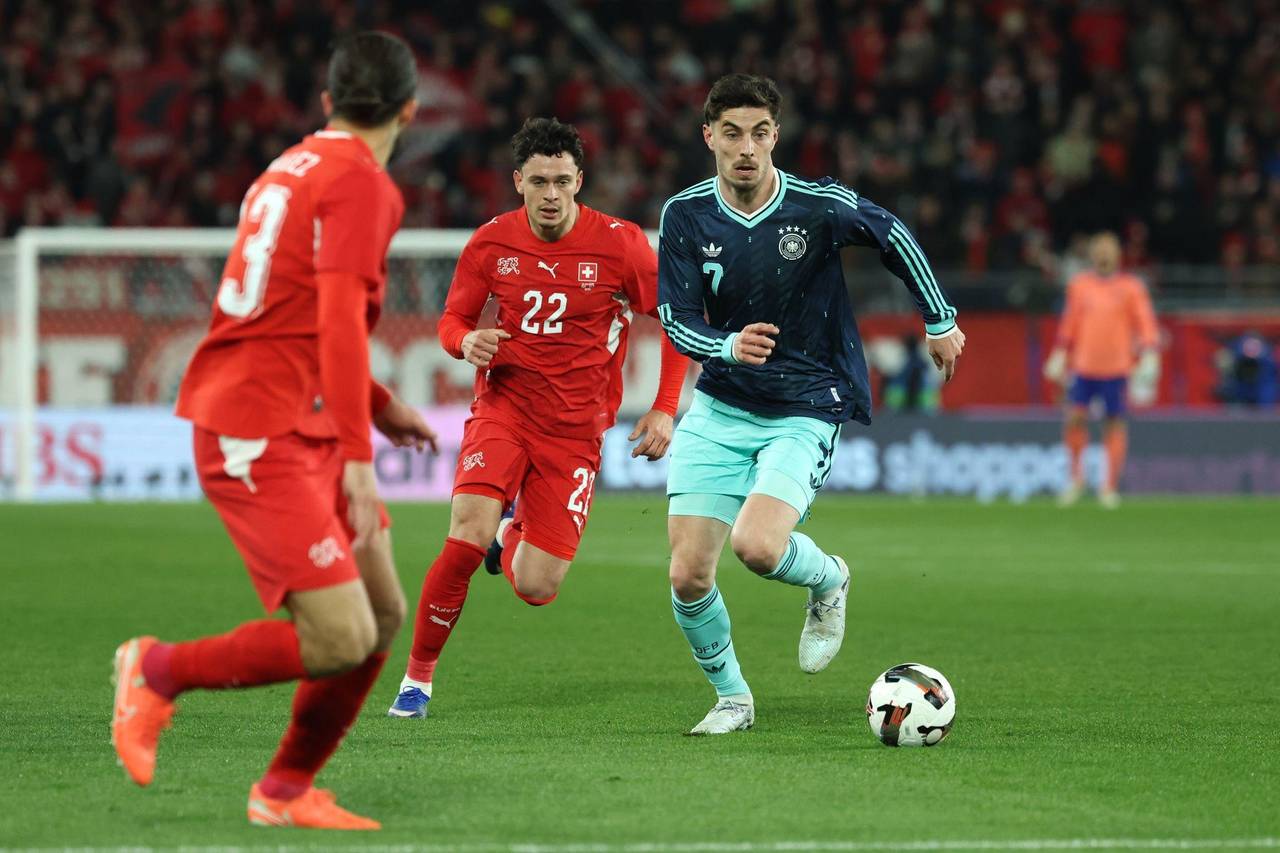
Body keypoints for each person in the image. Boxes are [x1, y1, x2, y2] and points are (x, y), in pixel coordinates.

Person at [111, 31, 437, 829]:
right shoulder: (362, 184)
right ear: (409, 110)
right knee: (339, 637)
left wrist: (377, 403)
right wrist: (361, 454)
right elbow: (335, 319)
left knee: (381, 615)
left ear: (327, 101)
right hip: (258, 428)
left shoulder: (288, 167)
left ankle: (285, 789)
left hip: (300, 414)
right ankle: (157, 669)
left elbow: (291, 313)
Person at [657, 74, 965, 735]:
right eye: (732, 133)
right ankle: (733, 699)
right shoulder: (684, 214)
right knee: (687, 574)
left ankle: (828, 579)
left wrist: (939, 318)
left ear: (776, 136)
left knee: (757, 547)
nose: (746, 147)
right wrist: (726, 345)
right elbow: (676, 320)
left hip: (806, 400)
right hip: (721, 402)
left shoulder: (817, 205)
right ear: (709, 137)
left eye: (759, 133)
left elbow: (892, 234)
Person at [387, 117, 688, 719]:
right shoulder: (490, 242)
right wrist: (464, 342)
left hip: (575, 432)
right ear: (518, 181)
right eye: (539, 181)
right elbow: (452, 321)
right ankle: (416, 682)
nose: (551, 194)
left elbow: (675, 320)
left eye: (562, 181)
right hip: (503, 410)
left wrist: (663, 408)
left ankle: (510, 534)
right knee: (464, 537)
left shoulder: (621, 243)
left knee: (536, 586)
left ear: (580, 181)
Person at [1043, 231, 1159, 508]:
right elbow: (1070, 322)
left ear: (1118, 255)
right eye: (1100, 250)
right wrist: (1060, 351)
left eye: (1109, 250)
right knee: (1074, 419)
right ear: (1092, 255)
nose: (1104, 255)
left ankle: (1109, 487)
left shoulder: (1131, 287)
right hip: (1084, 366)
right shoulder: (1080, 285)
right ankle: (1076, 480)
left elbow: (1144, 321)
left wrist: (1150, 351)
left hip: (1116, 367)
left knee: (1114, 422)